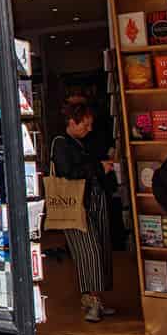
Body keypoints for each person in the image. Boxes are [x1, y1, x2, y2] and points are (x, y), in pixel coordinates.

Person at [51, 100, 115, 322]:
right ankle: (91, 302)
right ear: (71, 122)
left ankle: (95, 299)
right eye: (85, 124)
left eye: (90, 124)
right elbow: (67, 172)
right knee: (89, 251)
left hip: (92, 198)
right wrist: (98, 167)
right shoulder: (61, 143)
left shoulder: (85, 141)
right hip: (74, 204)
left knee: (101, 247)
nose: (89, 129)